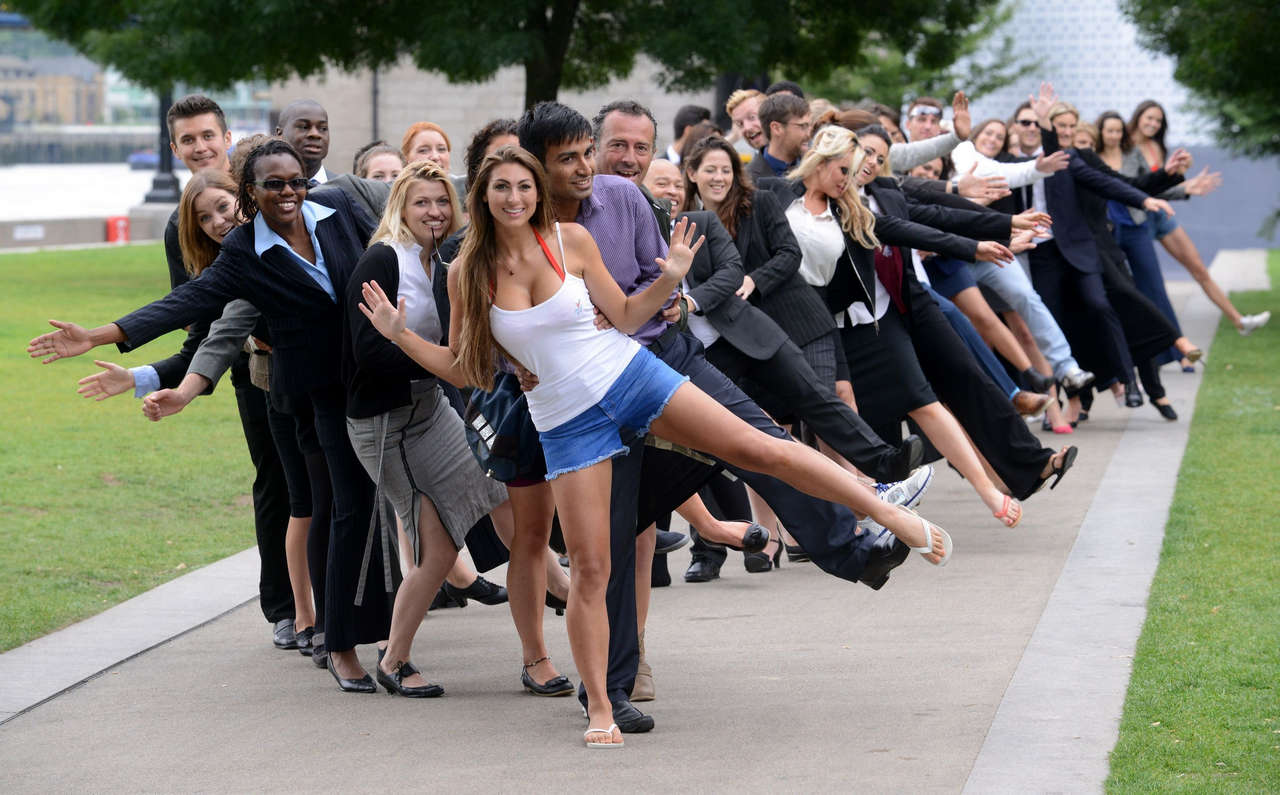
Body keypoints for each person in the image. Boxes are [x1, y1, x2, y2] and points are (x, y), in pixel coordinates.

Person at [355, 144, 954, 748]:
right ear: (483, 197)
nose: (515, 199)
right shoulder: (466, 273)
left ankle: (885, 511)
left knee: (759, 447)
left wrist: (670, 275)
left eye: (524, 187)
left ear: (538, 191)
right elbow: (467, 371)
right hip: (566, 422)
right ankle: (599, 711)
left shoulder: (571, 243)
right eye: (501, 188)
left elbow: (623, 314)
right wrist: (401, 335)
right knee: (591, 567)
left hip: (632, 376)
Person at [29, 138, 393, 693]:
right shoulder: (245, 252)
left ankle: (386, 633)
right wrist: (99, 335)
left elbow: (398, 249)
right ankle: (340, 644)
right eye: (274, 184)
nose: (289, 191)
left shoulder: (338, 212)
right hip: (315, 392)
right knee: (344, 506)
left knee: (369, 504)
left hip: (368, 377)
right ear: (251, 191)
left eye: (295, 180)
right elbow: (182, 305)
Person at [759, 125, 1078, 523]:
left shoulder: (856, 208)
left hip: (880, 315)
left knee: (930, 393)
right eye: (853, 165)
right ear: (825, 161)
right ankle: (853, 513)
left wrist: (987, 237)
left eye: (874, 160)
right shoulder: (774, 195)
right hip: (814, 324)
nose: (865, 169)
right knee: (836, 413)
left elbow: (922, 223)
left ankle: (992, 488)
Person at [75, 165, 314, 651]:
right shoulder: (222, 268)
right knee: (285, 492)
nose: (218, 222)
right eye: (204, 219)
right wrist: (141, 378)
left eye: (223, 208)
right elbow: (200, 333)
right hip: (264, 384)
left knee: (330, 494)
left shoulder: (307, 220)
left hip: (328, 378)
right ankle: (293, 613)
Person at [342, 160, 512, 696]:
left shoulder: (443, 261)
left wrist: (457, 365)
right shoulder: (383, 260)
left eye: (442, 202)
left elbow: (459, 350)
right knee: (436, 551)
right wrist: (443, 362)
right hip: (386, 423)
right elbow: (369, 355)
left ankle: (559, 587)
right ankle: (394, 661)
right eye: (422, 202)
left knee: (499, 482)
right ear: (400, 208)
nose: (434, 212)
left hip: (431, 408)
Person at [1125, 100, 1269, 340]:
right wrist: (1185, 188)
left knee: (1198, 267)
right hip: (1138, 219)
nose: (1153, 123)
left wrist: (1185, 186)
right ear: (1138, 117)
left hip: (1162, 215)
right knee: (1148, 285)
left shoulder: (1156, 147)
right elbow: (1137, 191)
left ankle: (1239, 320)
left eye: (1158, 120)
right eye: (1149, 118)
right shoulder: (1128, 149)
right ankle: (1167, 344)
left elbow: (1158, 187)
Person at [746, 92, 811, 182]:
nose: (809, 134)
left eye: (809, 126)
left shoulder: (815, 172)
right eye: (802, 126)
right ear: (776, 128)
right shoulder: (747, 182)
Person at [276, 100, 332, 183]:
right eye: (304, 127)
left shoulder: (346, 190)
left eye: (323, 128)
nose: (315, 134)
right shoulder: (264, 188)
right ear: (280, 134)